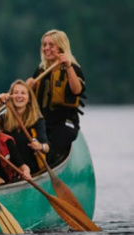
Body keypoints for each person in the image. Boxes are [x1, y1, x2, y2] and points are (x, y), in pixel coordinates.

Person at [26, 29, 86, 166]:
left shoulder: (73, 69)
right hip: (43, 123)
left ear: (61, 47)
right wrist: (28, 88)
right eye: (44, 45)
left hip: (64, 122)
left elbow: (77, 90)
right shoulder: (41, 70)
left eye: (51, 45)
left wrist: (68, 66)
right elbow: (30, 100)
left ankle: (52, 164)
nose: (46, 48)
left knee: (55, 147)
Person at [0, 80, 49, 174]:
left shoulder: (37, 120)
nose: (19, 96)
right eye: (15, 93)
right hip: (10, 170)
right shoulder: (4, 119)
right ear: (11, 97)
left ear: (29, 98)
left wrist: (40, 146)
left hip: (31, 168)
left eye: (23, 93)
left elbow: (46, 147)